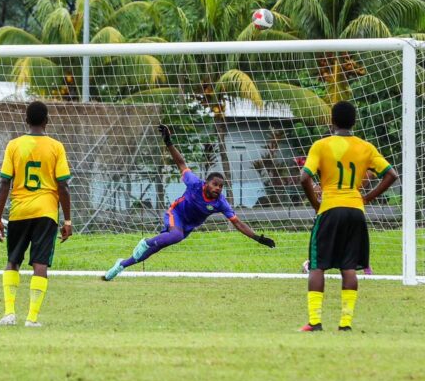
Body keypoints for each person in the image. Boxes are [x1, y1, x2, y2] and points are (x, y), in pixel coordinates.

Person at [103, 124, 275, 281]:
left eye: (221, 186)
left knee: (155, 249)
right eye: (215, 184)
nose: (217, 188)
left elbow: (237, 223)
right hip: (174, 214)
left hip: (187, 226)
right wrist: (169, 142)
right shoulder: (194, 183)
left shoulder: (220, 202)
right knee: (170, 238)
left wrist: (258, 238)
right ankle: (146, 241)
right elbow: (181, 163)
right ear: (206, 183)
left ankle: (121, 265)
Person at [298, 101, 397, 332]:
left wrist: (316, 204)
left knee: (317, 266)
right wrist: (366, 198)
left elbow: (304, 177)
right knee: (349, 266)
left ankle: (315, 322)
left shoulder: (321, 145)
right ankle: (345, 324)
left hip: (330, 208)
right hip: (355, 210)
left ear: (332, 121)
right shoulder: (365, 147)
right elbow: (391, 174)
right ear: (354, 122)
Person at [0, 101, 72, 328]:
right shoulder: (56, 147)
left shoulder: (14, 145)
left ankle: (9, 314)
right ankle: (32, 318)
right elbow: (63, 186)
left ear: (25, 121)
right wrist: (67, 220)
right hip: (46, 212)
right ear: (47, 121)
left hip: (19, 211)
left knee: (12, 261)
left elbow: (4, 182)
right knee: (40, 264)